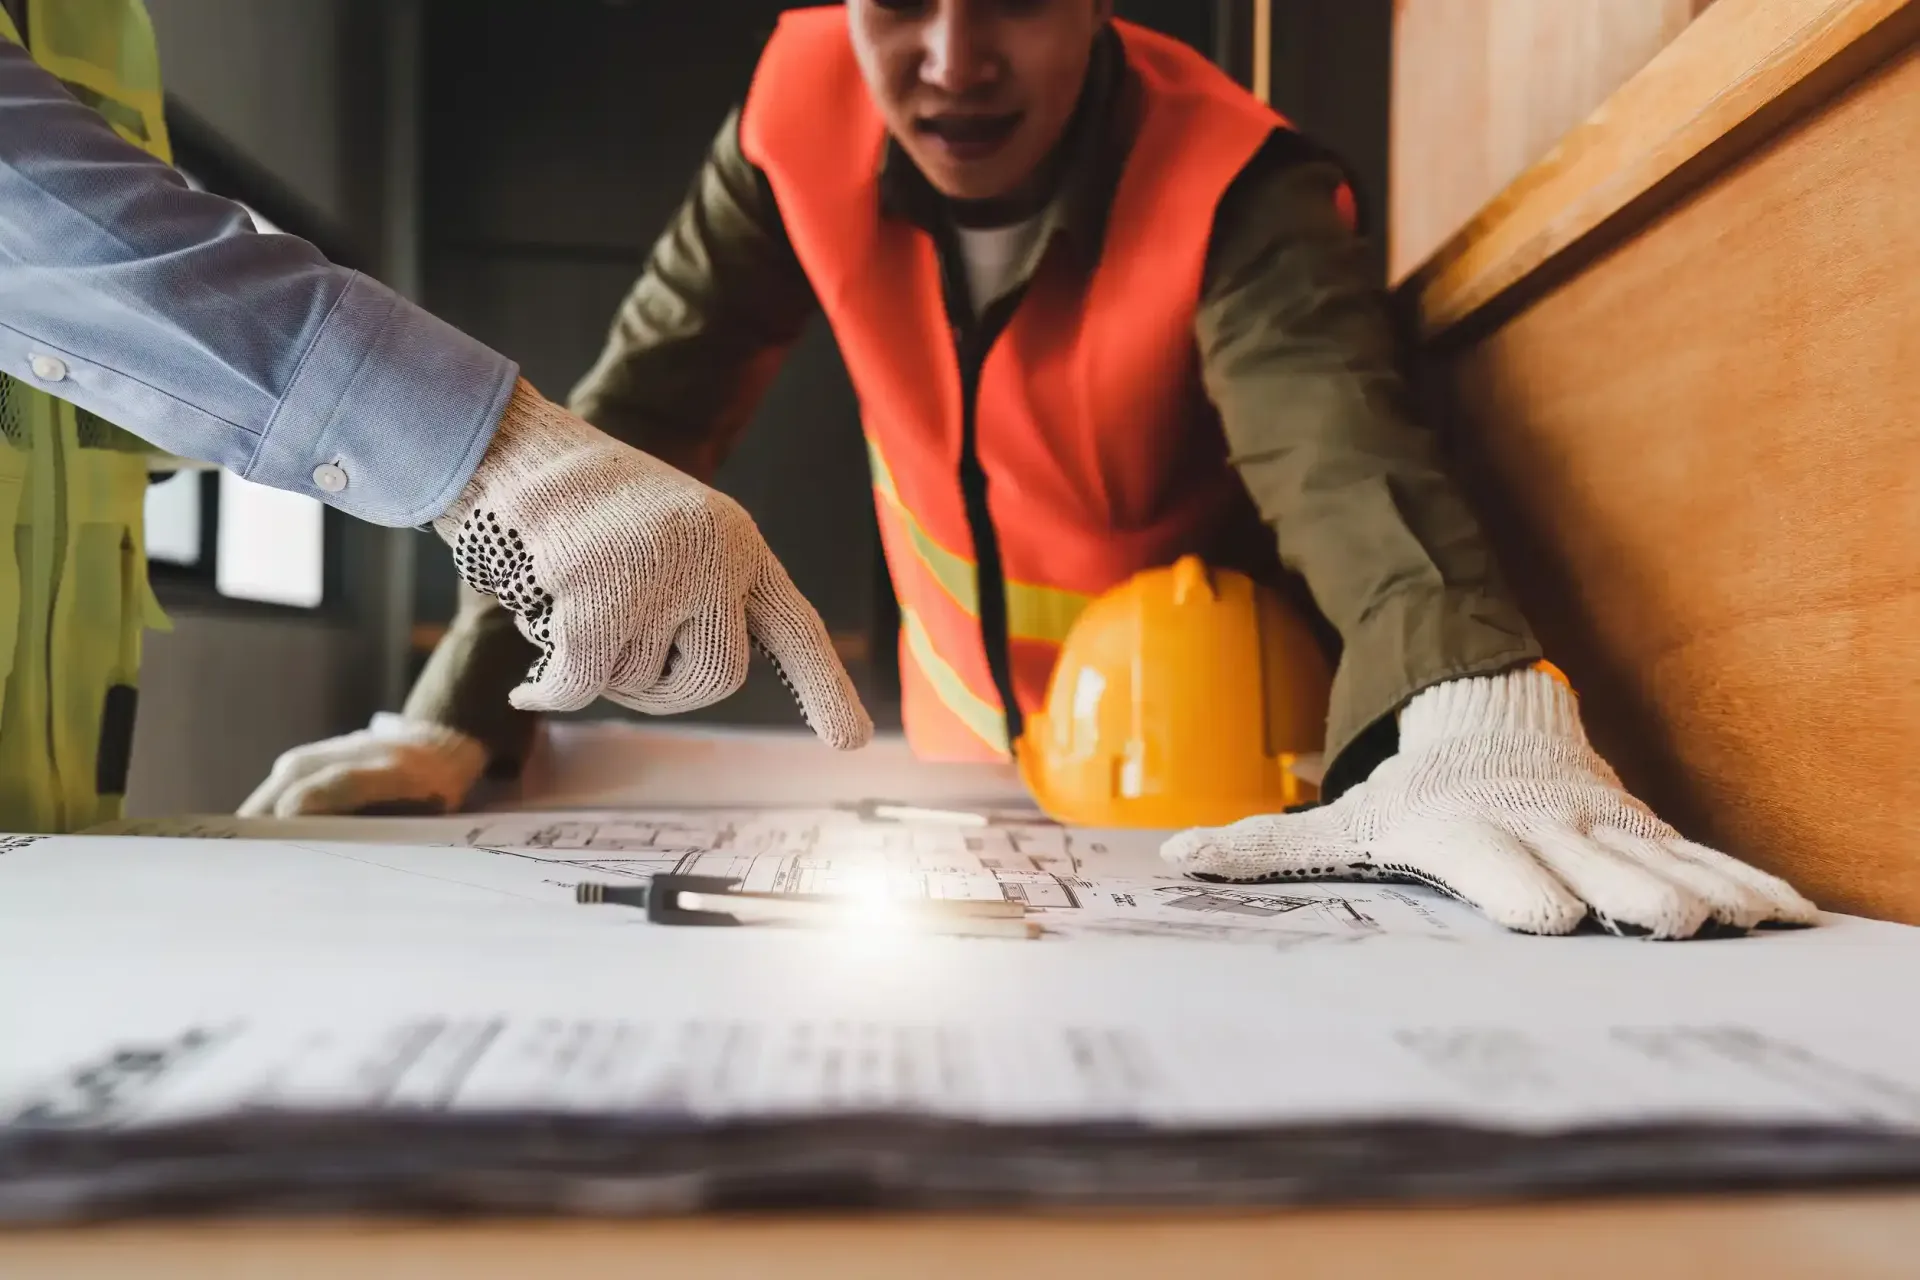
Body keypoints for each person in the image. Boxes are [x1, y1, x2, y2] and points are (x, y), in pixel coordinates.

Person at [250, 0, 1815, 940]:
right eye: (896, 5)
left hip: (1197, 778)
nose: (950, 60)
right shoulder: (792, 119)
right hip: (952, 767)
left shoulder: (1237, 179)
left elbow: (1350, 457)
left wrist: (1471, 702)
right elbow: (631, 425)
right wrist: (454, 718)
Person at [0, 0, 868, 833]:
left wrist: (528, 475)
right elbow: (653, 407)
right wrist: (462, 700)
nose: (938, 58)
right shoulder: (816, 103)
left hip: (52, 773)